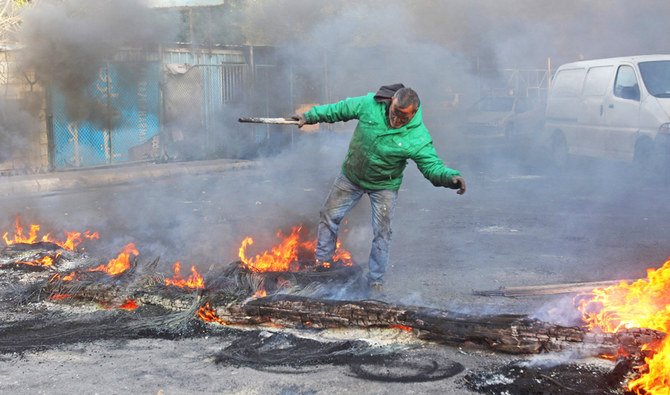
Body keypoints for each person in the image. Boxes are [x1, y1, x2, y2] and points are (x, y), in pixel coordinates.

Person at [293, 83, 466, 295]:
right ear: (390, 103)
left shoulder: (417, 136)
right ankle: (323, 265)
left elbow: (432, 166)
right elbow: (339, 109)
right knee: (329, 215)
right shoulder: (370, 104)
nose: (397, 120)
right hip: (351, 176)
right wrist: (310, 116)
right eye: (395, 113)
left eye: (404, 117)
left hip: (384, 186)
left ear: (413, 114)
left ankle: (376, 281)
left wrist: (450, 178)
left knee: (382, 233)